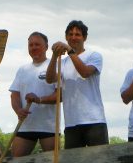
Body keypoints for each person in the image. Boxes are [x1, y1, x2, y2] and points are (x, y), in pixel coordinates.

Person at [46, 20, 108, 149]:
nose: (73, 37)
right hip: (71, 122)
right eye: (70, 34)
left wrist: (70, 51)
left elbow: (85, 73)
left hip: (94, 120)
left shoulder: (94, 55)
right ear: (66, 37)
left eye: (77, 34)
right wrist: (54, 56)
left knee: (98, 162)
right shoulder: (63, 62)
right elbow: (50, 79)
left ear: (84, 37)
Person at [9, 32, 57, 157]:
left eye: (37, 44)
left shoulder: (55, 67)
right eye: (31, 45)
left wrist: (39, 99)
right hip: (26, 126)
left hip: (48, 127)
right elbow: (14, 95)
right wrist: (18, 110)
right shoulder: (22, 69)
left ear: (46, 47)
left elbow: (60, 95)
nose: (33, 47)